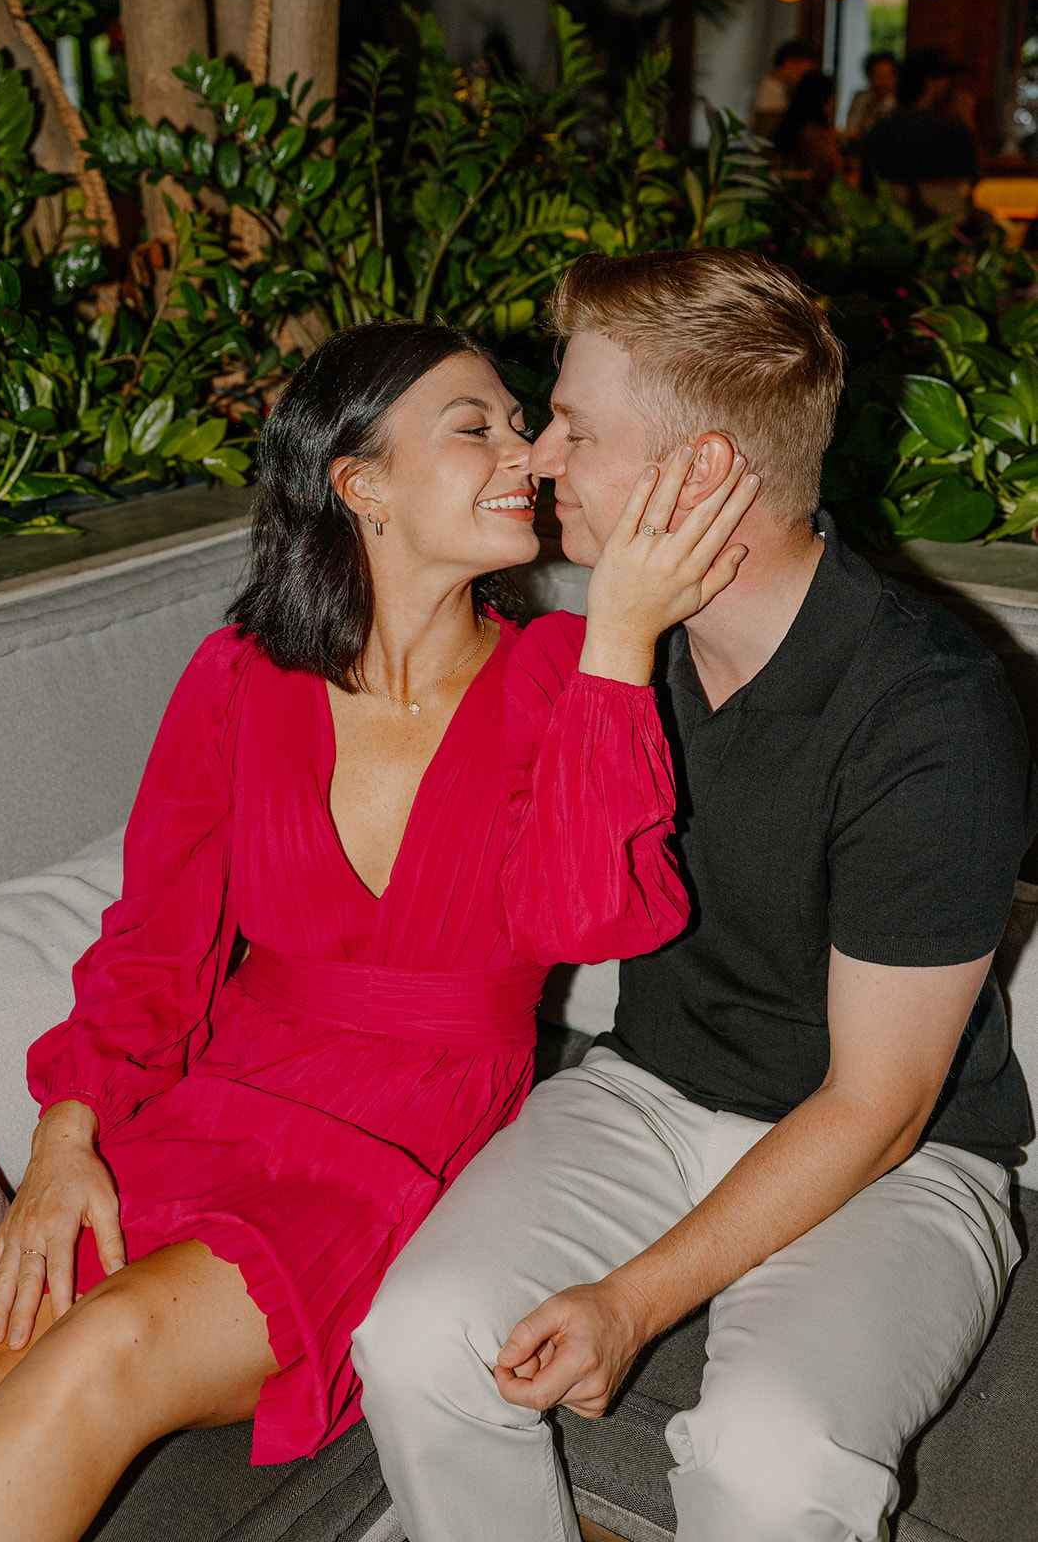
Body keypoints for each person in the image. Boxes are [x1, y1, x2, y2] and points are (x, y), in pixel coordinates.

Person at [0, 321, 758, 1542]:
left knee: (107, 1342)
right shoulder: (239, 675)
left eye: (522, 422)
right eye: (478, 425)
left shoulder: (563, 671)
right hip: (212, 1098)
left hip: (400, 1140)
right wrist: (66, 1138)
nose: (527, 453)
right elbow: (153, 941)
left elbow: (591, 912)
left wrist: (619, 637)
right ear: (361, 482)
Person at [353, 250, 1037, 1542]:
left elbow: (877, 1108)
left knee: (765, 1463)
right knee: (412, 1340)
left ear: (703, 474)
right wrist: (612, 658)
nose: (539, 456)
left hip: (905, 1156)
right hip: (648, 1087)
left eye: (573, 427)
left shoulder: (929, 710)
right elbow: (553, 921)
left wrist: (631, 1299)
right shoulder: (617, 650)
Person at [863, 47, 978, 223]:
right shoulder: (954, 133)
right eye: (944, 78)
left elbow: (868, 191)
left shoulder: (880, 132)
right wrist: (968, 121)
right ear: (930, 83)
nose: (948, 85)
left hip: (893, 234)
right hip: (949, 236)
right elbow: (974, 184)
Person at [772, 70, 843, 190]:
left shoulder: (788, 125)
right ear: (823, 101)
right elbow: (827, 173)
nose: (835, 103)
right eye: (832, 97)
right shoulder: (814, 135)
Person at [750, 38, 818, 140]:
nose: (803, 77)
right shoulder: (767, 92)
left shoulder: (783, 90)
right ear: (789, 62)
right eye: (803, 71)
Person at [844, 50, 897, 140]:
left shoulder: (900, 102)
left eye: (888, 76)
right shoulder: (861, 99)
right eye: (879, 76)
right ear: (870, 76)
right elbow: (852, 128)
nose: (884, 81)